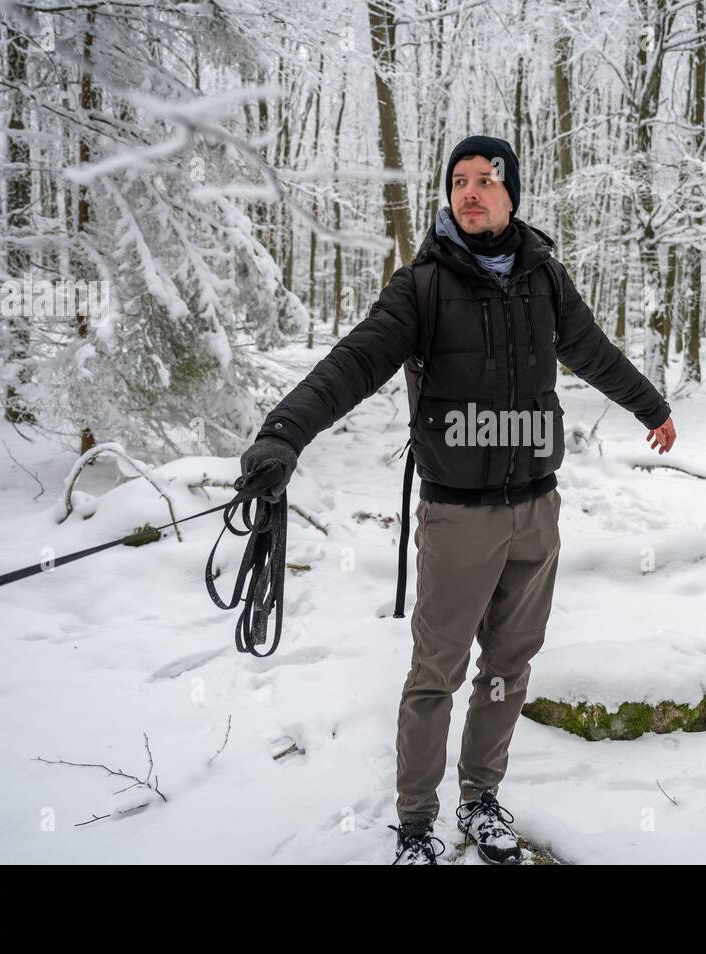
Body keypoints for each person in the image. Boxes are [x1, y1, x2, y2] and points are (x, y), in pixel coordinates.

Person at [240, 134, 677, 864]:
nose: (470, 192)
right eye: (460, 181)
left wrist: (650, 406)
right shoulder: (421, 286)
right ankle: (416, 824)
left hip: (537, 511)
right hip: (458, 516)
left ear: (512, 194)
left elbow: (592, 349)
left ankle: (480, 799)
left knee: (509, 666)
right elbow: (353, 362)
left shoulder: (544, 276)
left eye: (486, 179)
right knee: (435, 673)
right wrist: (284, 433)